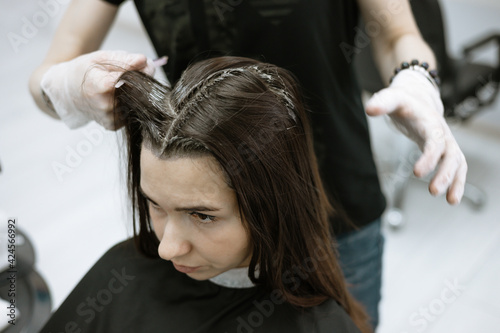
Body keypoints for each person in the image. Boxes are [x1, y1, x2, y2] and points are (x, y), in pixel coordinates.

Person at [29, 0, 468, 328]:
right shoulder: (172, 243)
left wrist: (416, 77)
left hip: (335, 202)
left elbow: (398, 36)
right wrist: (63, 83)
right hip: (200, 192)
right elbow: (49, 70)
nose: (165, 248)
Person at [40, 56, 371, 332]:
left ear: (272, 205)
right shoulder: (122, 272)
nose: (168, 248)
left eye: (202, 215)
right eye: (154, 205)